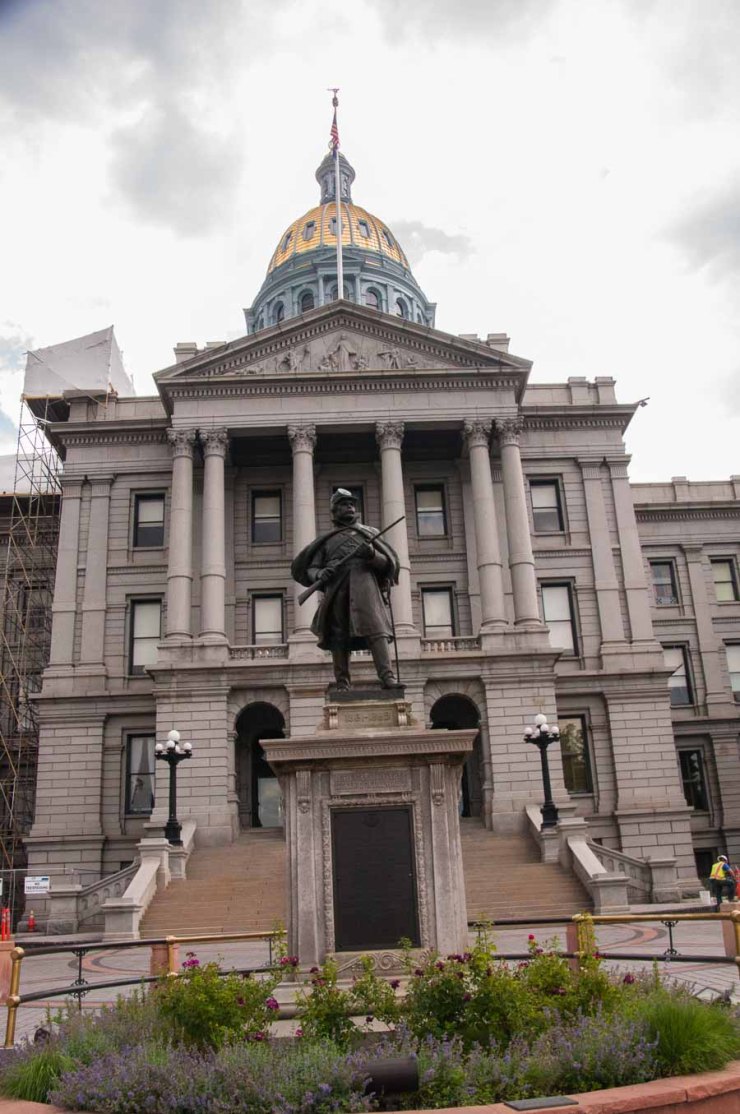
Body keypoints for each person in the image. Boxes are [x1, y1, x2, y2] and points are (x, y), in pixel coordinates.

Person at [291, 489, 400, 690]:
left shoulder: (369, 533)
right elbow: (311, 569)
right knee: (338, 637)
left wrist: (371, 554)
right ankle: (342, 683)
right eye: (343, 504)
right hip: (337, 591)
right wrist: (320, 574)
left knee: (377, 631)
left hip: (365, 588)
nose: (349, 506)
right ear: (334, 510)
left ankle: (387, 677)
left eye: (351, 504)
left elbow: (388, 565)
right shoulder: (326, 540)